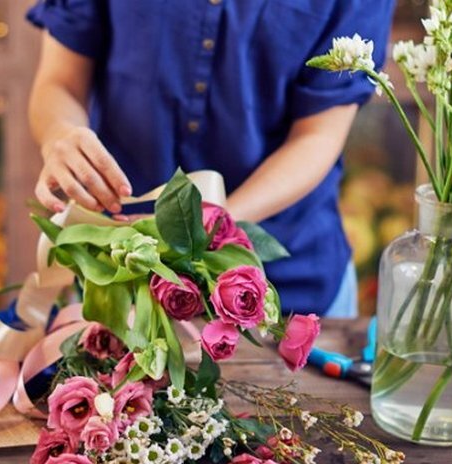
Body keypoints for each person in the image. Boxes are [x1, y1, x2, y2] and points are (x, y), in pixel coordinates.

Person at [26, 0, 395, 317]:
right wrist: (60, 131)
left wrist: (217, 223)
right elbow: (59, 82)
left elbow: (318, 135)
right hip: (120, 270)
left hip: (287, 285)